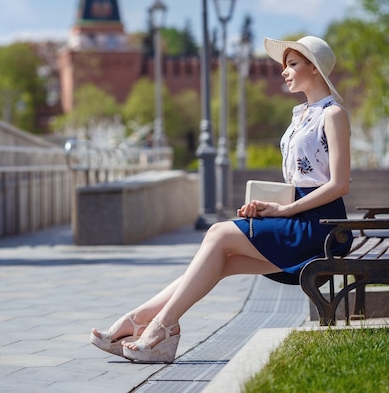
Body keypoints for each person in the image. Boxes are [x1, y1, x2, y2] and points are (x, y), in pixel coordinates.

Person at [90, 35, 353, 364]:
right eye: (284, 65)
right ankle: (142, 322)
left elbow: (339, 184)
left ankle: (158, 327)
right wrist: (269, 205)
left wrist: (285, 209)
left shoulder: (333, 114)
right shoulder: (300, 115)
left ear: (314, 68)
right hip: (298, 217)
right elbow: (300, 179)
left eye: (292, 64)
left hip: (323, 228)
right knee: (221, 262)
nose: (283, 71)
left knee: (218, 233)